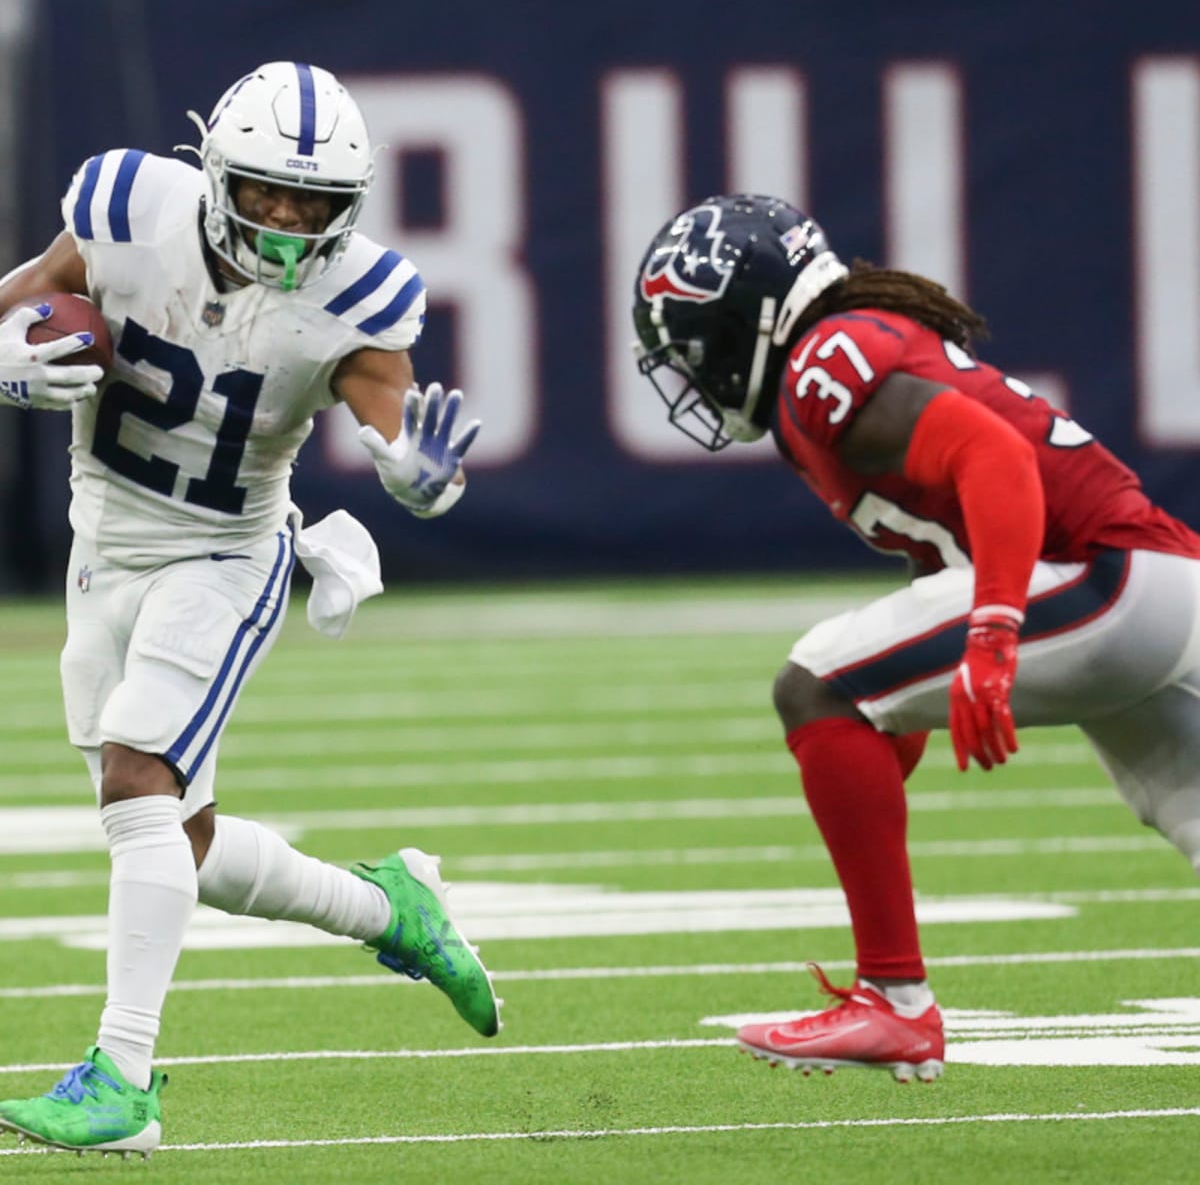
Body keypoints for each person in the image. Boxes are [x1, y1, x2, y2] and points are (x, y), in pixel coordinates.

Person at [0, 62, 501, 1158]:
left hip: (228, 555)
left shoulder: (357, 295)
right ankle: (394, 910)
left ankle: (122, 1082)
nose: (284, 218)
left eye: (310, 201)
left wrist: (418, 471)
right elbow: (23, 301)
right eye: (266, 191)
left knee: (140, 776)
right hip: (106, 543)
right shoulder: (129, 206)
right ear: (216, 171)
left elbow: (394, 422)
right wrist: (7, 364)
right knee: (182, 842)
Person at [631, 193, 1200, 1084]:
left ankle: (893, 999)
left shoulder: (823, 360)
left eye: (697, 347)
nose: (695, 377)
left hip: (1103, 576)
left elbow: (996, 463)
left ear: (750, 318)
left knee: (814, 682)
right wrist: (904, 709)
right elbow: (946, 541)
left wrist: (995, 633)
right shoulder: (853, 342)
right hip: (1164, 584)